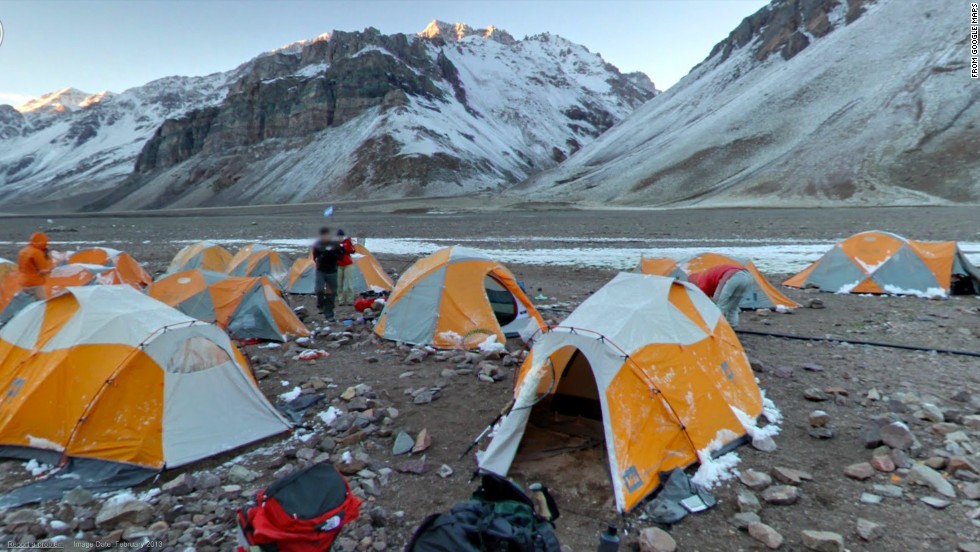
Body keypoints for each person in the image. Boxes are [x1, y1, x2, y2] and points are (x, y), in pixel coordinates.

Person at [688, 264, 753, 328]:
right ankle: (733, 326)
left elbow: (704, 299)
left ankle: (716, 327)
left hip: (732, 277)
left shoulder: (701, 280)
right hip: (748, 277)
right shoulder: (706, 274)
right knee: (733, 307)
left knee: (719, 305)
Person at [311, 227, 344, 321]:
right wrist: (322, 255)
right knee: (320, 289)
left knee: (332, 293)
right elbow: (315, 257)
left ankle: (329, 313)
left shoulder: (335, 244)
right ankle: (320, 304)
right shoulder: (318, 245)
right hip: (321, 270)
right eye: (323, 236)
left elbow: (340, 256)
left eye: (326, 235)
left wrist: (332, 253)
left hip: (332, 271)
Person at [17, 232, 53, 300]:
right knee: (42, 304)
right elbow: (43, 271)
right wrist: (49, 260)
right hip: (35, 283)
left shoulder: (23, 251)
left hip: (23, 282)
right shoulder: (37, 253)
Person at [335, 229, 357, 305]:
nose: (339, 238)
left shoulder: (347, 242)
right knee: (339, 284)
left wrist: (344, 248)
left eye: (341, 236)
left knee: (349, 283)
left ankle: (350, 299)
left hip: (348, 264)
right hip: (339, 265)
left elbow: (352, 250)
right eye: (338, 236)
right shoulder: (336, 244)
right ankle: (341, 300)